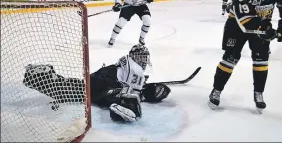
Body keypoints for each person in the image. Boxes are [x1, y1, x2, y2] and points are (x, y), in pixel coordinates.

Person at [208, 0, 282, 113]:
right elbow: (245, 20)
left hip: (262, 23)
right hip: (236, 25)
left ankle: (258, 93)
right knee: (230, 58)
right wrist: (265, 28)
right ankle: (216, 90)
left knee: (261, 59)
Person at [22, 44, 171, 122]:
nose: (143, 60)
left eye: (145, 57)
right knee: (78, 92)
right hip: (104, 82)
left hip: (104, 79)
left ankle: (45, 76)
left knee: (75, 89)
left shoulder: (130, 64)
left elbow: (135, 87)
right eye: (141, 56)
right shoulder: (133, 66)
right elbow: (133, 90)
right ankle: (40, 77)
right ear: (134, 56)